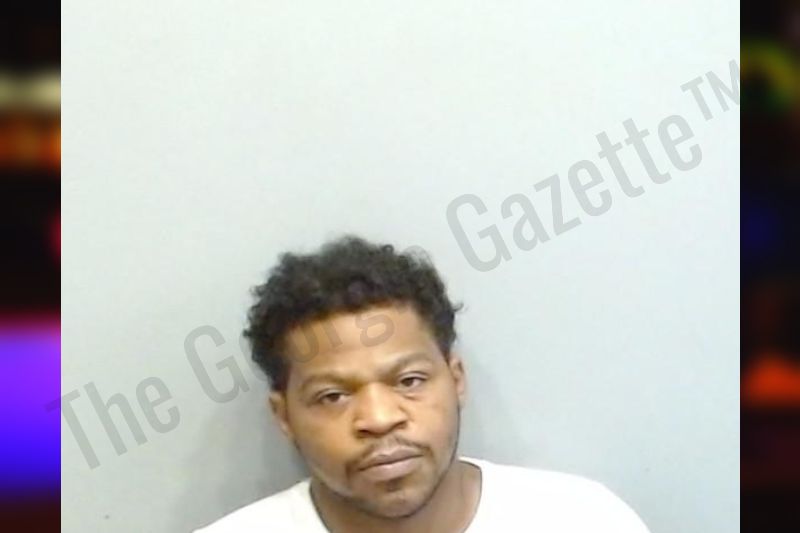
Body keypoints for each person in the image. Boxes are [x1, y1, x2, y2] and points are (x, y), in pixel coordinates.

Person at [195, 236, 650, 532]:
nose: (379, 419)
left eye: (409, 380)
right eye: (333, 396)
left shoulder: (582, 519)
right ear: (285, 416)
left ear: (456, 381)